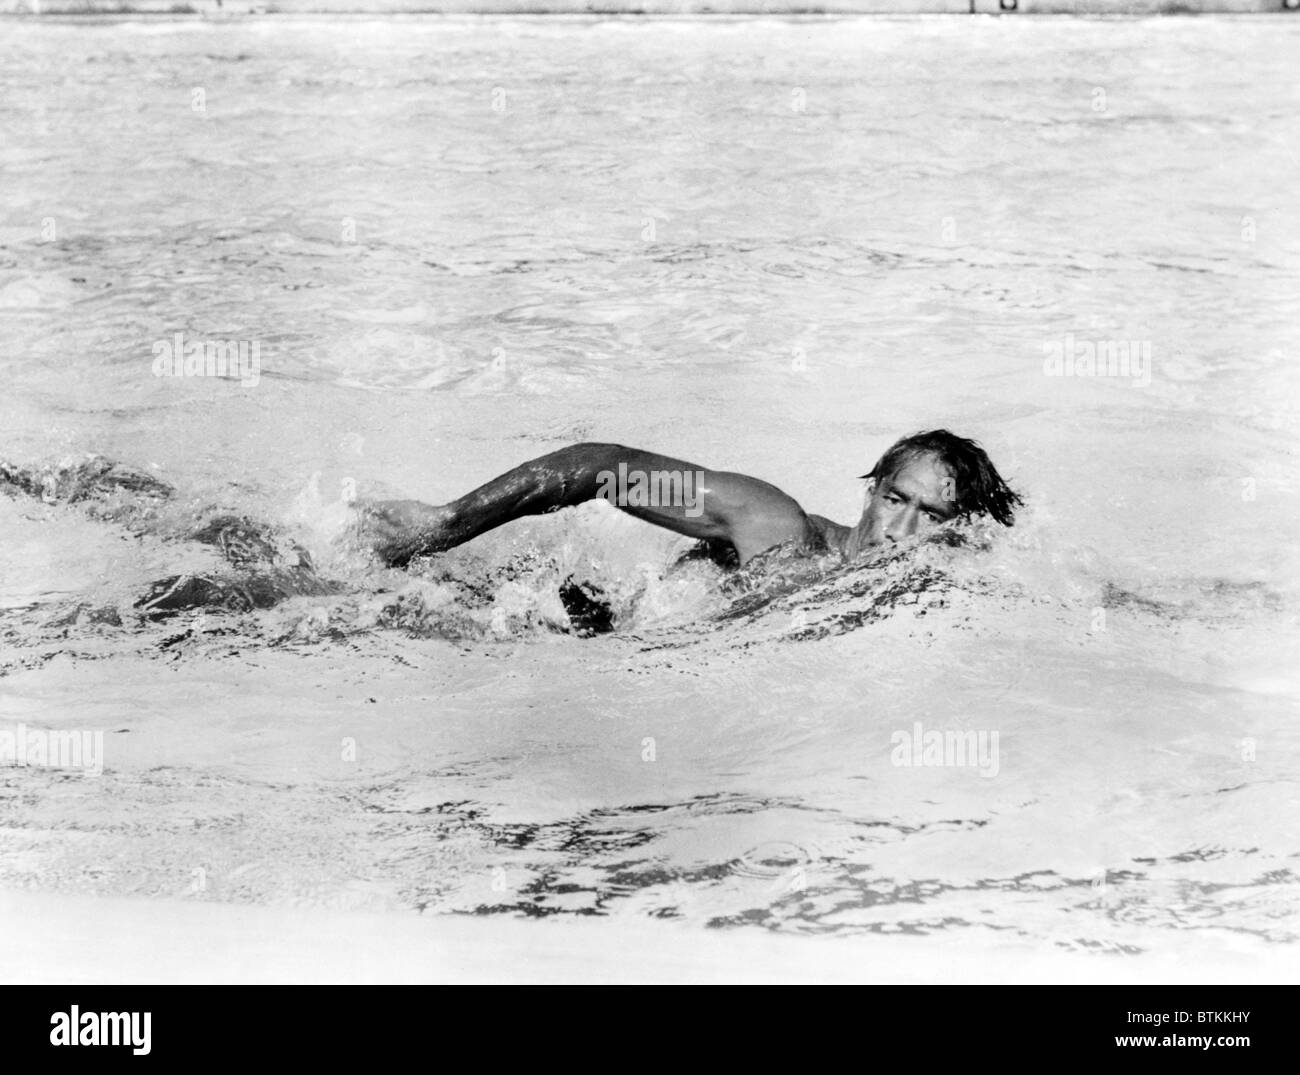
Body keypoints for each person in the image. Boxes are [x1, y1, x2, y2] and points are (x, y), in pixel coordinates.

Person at [356, 429, 1023, 571]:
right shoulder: (774, 524)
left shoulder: (932, 585)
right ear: (872, 489)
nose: (898, 527)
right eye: (893, 497)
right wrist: (447, 523)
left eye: (930, 516)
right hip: (578, 633)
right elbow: (600, 469)